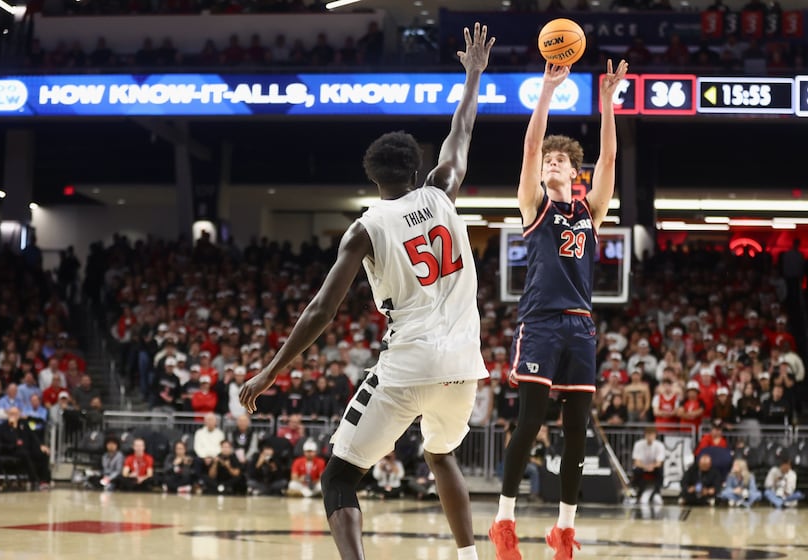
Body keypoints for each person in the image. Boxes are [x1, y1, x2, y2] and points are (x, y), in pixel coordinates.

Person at [239, 23, 495, 560]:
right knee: (441, 455)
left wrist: (271, 370)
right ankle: (470, 556)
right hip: (465, 366)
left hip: (409, 363)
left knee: (339, 478)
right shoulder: (444, 192)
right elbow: (462, 130)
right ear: (418, 170)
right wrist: (473, 74)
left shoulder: (366, 227)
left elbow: (321, 310)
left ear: (372, 178)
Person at [489, 55, 629, 560]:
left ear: (576, 173)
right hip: (541, 323)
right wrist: (547, 91)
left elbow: (611, 163)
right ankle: (504, 523)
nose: (550, 162)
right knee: (528, 424)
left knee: (576, 435)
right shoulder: (535, 206)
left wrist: (609, 105)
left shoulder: (590, 211)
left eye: (559, 161)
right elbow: (530, 145)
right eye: (547, 160)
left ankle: (563, 532)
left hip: (581, 328)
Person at [0, 406, 52, 490]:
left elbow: (33, 436)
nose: (14, 416)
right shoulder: (3, 427)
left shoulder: (24, 423)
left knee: (43, 453)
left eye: (15, 414)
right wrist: (13, 428)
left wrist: (41, 446)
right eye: (11, 414)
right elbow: (7, 442)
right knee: (25, 454)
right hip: (12, 450)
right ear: (8, 415)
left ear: (19, 414)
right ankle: (34, 480)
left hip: (26, 448)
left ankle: (44, 481)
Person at [630, 426, 665, 505]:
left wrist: (652, 466)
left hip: (654, 467)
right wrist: (646, 467)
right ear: (645, 435)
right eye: (648, 434)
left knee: (660, 470)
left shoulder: (659, 445)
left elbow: (659, 462)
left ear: (655, 435)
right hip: (643, 467)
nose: (650, 436)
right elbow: (636, 462)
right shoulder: (638, 444)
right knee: (637, 470)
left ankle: (657, 492)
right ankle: (639, 492)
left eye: (652, 434)